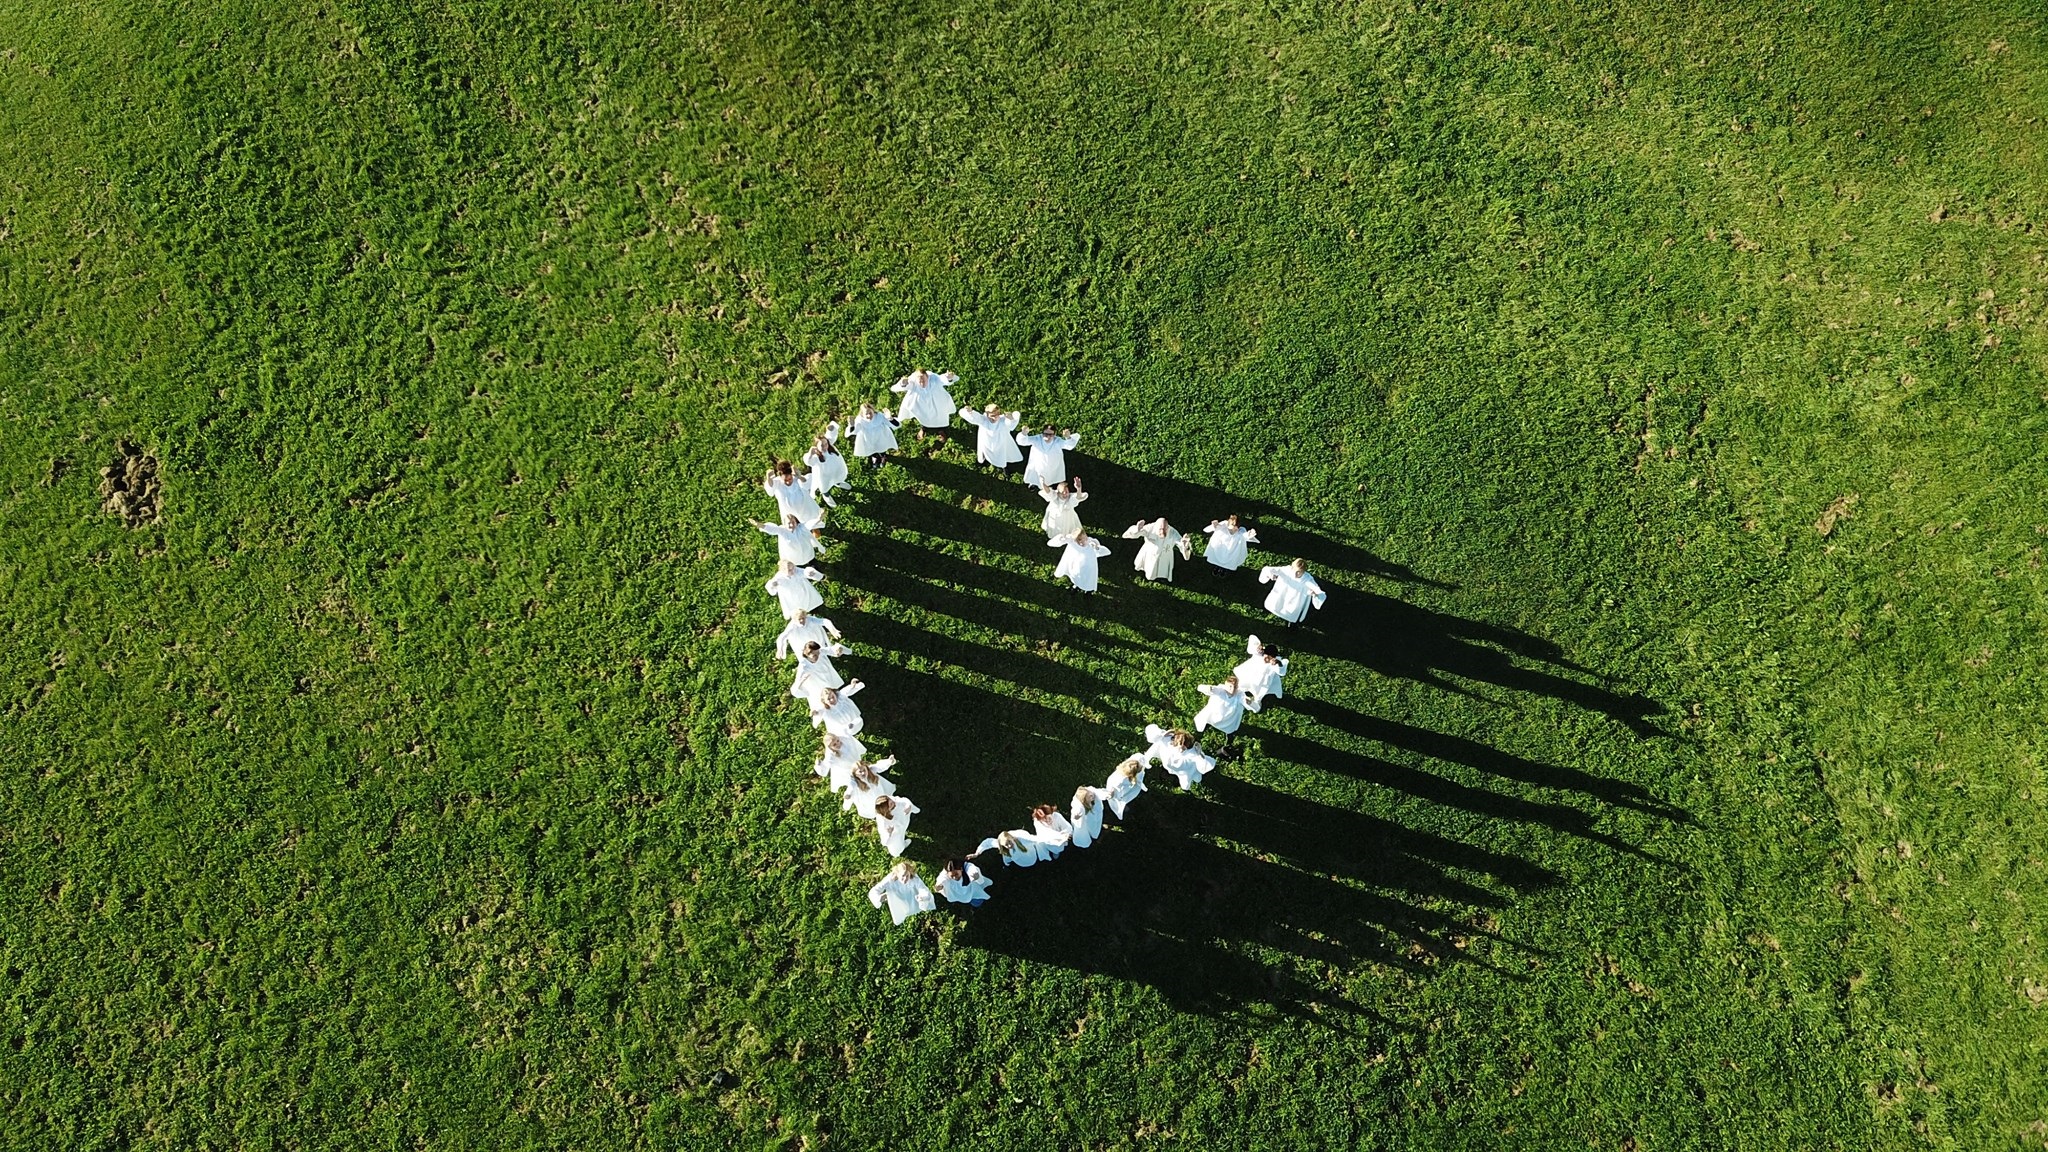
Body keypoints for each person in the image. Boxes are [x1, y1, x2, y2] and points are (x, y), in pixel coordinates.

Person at [1142, 724, 1216, 791]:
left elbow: (1204, 762)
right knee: (1187, 778)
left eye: (1183, 747)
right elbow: (1153, 739)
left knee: (1191, 777)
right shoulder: (1164, 740)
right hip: (1177, 768)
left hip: (1186, 769)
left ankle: (1194, 779)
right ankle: (1192, 779)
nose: (1181, 748)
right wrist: (1163, 734)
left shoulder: (1191, 754)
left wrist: (1199, 754)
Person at [1257, 558, 1327, 626]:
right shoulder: (1286, 570)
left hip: (1295, 599)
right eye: (1295, 571)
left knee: (1291, 611)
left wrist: (1315, 594)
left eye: (1299, 572)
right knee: (1276, 604)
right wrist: (1271, 575)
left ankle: (1290, 623)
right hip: (1282, 593)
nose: (1296, 574)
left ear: (1304, 571)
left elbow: (1319, 591)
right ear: (1292, 567)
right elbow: (1268, 569)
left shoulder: (1307, 580)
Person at [1122, 517, 1192, 583]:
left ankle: (1163, 576)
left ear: (1168, 527)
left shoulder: (1173, 532)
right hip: (1150, 554)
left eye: (1165, 529)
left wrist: (1185, 546)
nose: (1162, 532)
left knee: (1163, 568)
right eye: (1160, 529)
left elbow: (1180, 543)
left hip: (1165, 556)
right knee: (1150, 568)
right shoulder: (1150, 528)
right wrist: (1137, 530)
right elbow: (1134, 533)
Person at [891, 369, 957, 439]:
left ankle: (941, 429)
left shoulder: (934, 378)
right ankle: (924, 428)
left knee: (940, 418)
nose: (922, 383)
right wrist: (903, 383)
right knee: (923, 417)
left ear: (927, 377)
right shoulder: (913, 381)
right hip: (921, 405)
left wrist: (948, 377)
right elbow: (899, 387)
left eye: (924, 380)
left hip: (937, 404)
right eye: (920, 381)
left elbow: (942, 379)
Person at [868, 860, 936, 925]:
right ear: (897, 874)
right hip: (899, 901)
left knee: (924, 899)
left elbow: (923, 889)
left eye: (907, 876)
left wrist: (923, 897)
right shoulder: (890, 879)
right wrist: (879, 898)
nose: (905, 878)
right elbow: (875, 890)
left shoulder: (914, 878)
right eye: (903, 876)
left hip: (913, 899)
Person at [959, 403, 1024, 470]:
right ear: (987, 415)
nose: (994, 418)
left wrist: (1011, 419)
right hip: (987, 444)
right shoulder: (983, 420)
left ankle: (1004, 467)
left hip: (1000, 444)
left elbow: (1011, 425)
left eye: (997, 415)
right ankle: (986, 463)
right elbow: (974, 417)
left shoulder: (1002, 421)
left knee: (1002, 456)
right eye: (992, 416)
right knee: (987, 455)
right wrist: (970, 412)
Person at [1233, 636, 1289, 712]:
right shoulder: (1259, 654)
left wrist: (1278, 663)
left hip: (1262, 683)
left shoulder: (1274, 663)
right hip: (1249, 675)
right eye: (1266, 656)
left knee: (1258, 694)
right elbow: (1252, 639)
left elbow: (1282, 671)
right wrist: (1257, 646)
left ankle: (1256, 705)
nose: (1267, 660)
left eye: (1269, 658)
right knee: (1243, 684)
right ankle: (1239, 691)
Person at [764, 460, 824, 527]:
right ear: (780, 476)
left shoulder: (796, 479)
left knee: (814, 526)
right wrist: (768, 478)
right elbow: (770, 489)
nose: (788, 482)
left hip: (807, 511)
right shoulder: (777, 483)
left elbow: (807, 485)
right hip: (791, 516)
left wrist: (799, 476)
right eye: (785, 480)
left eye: (790, 479)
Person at [1050, 528, 1111, 593]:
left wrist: (1097, 547)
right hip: (1076, 565)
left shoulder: (1091, 543)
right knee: (1076, 575)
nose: (1080, 542)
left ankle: (1087, 590)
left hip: (1088, 566)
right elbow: (1052, 543)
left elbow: (1106, 552)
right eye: (1077, 540)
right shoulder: (1072, 541)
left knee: (1087, 578)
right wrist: (1061, 538)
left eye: (1082, 539)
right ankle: (1076, 585)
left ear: (1085, 536)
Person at [802, 424, 849, 506]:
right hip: (824, 476)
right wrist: (810, 453)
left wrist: (830, 429)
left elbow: (832, 434)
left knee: (838, 477)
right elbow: (808, 461)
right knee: (824, 487)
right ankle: (826, 495)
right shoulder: (816, 457)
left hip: (836, 470)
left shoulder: (830, 446)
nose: (824, 447)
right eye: (821, 446)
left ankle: (838, 483)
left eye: (825, 444)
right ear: (816, 447)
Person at [1193, 673, 1248, 742]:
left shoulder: (1239, 694)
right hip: (1214, 714)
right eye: (1230, 686)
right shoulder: (1221, 690)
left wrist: (1248, 702)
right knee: (1205, 721)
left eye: (1235, 687)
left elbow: (1244, 700)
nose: (1232, 689)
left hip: (1228, 718)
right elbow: (1202, 688)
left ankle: (1229, 739)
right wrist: (1209, 688)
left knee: (1230, 729)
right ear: (1226, 685)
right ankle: (1197, 735)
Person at [754, 513, 821, 566]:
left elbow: (809, 524)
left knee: (810, 559)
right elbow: (771, 529)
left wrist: (819, 518)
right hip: (793, 557)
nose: (791, 524)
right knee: (794, 565)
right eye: (789, 523)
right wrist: (761, 525)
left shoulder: (800, 528)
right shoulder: (782, 531)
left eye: (793, 522)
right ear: (784, 524)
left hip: (806, 552)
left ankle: (813, 564)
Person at [776, 608, 842, 661]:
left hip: (815, 637)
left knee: (820, 651)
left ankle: (830, 654)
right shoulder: (792, 626)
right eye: (799, 619)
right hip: (801, 640)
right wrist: (780, 649)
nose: (802, 620)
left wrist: (833, 630)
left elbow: (825, 621)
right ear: (794, 620)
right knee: (807, 656)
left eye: (803, 618)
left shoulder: (810, 619)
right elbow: (782, 637)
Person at [1037, 479, 1088, 544]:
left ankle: (1067, 537)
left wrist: (1079, 488)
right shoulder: (1054, 497)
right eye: (1062, 492)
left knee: (1069, 530)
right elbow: (1048, 491)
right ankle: (1055, 537)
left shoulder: (1070, 499)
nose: (1065, 494)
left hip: (1067, 519)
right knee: (1055, 528)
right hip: (1055, 519)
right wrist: (1042, 483)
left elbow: (1078, 497)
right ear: (1058, 493)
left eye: (1066, 492)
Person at [849, 401, 899, 465]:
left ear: (873, 410)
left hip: (880, 437)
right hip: (868, 439)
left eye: (870, 413)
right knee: (871, 449)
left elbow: (896, 425)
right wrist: (852, 425)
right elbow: (854, 431)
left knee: (881, 447)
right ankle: (875, 457)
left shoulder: (879, 416)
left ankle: (883, 456)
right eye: (866, 414)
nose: (869, 415)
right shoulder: (860, 420)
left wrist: (890, 418)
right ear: (862, 414)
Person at [974, 829, 1047, 868]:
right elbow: (988, 843)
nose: (1009, 846)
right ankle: (1008, 864)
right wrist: (977, 853)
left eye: (1009, 842)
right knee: (1007, 856)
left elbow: (1037, 839)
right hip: (1020, 861)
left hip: (1031, 856)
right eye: (1006, 845)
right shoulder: (1003, 845)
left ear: (1012, 837)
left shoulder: (1022, 839)